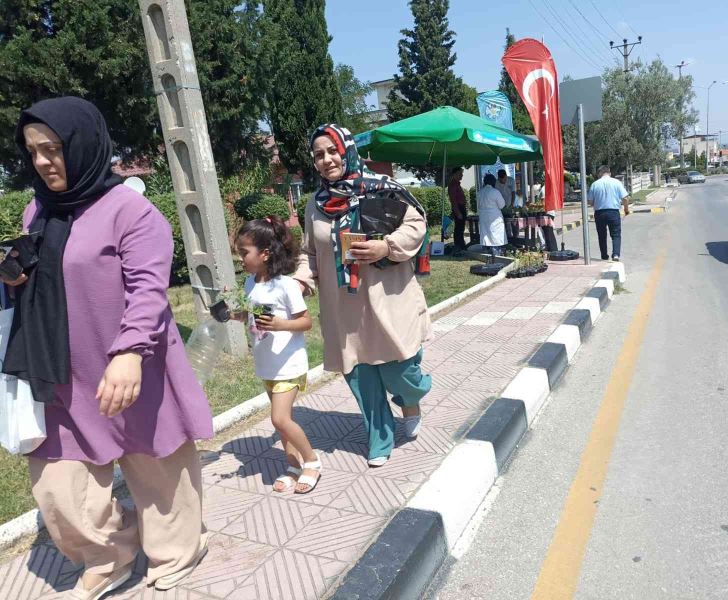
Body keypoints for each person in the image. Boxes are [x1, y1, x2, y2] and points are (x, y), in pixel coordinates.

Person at [5, 97, 212, 599]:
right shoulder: (40, 207)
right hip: (58, 371)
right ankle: (109, 557)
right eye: (33, 152)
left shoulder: (130, 211)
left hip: (130, 366)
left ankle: (180, 549)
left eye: (53, 149)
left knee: (156, 467)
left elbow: (147, 288)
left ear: (83, 145)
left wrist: (129, 354)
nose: (42, 162)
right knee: (58, 489)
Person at [296, 123, 432, 467]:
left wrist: (386, 246)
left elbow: (417, 226)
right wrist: (300, 280)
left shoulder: (383, 189)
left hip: (388, 298)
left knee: (401, 370)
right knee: (361, 376)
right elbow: (309, 252)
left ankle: (412, 397)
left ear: (347, 150)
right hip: (343, 306)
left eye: (332, 151)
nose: (326, 160)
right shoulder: (316, 204)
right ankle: (379, 437)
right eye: (318, 155)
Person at [233, 216, 319, 494]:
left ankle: (312, 462)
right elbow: (252, 316)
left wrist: (282, 325)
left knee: (279, 419)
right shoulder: (250, 283)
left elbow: (305, 322)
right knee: (283, 422)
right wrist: (234, 315)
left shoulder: (286, 285)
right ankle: (293, 466)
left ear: (265, 253)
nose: (241, 258)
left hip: (288, 363)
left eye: (244, 252)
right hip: (266, 362)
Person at [588, 165, 630, 261]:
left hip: (599, 213)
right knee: (616, 234)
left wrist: (597, 202)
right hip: (613, 212)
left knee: (601, 235)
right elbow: (625, 198)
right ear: (609, 173)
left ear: (599, 173)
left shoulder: (595, 184)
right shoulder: (616, 182)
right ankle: (615, 254)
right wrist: (626, 210)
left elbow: (590, 201)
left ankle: (604, 255)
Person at [477, 173, 507, 258]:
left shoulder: (480, 192)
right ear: (493, 182)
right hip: (494, 216)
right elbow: (502, 205)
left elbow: (478, 206)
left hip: (483, 216)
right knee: (495, 236)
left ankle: (486, 252)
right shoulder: (495, 192)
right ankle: (496, 254)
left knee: (486, 234)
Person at [448, 167, 468, 251]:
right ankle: (459, 245)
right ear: (455, 174)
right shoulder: (453, 185)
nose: (462, 175)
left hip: (461, 207)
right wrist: (458, 212)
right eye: (460, 174)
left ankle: (461, 244)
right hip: (458, 208)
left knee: (461, 227)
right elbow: (453, 200)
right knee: (459, 228)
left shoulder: (456, 184)